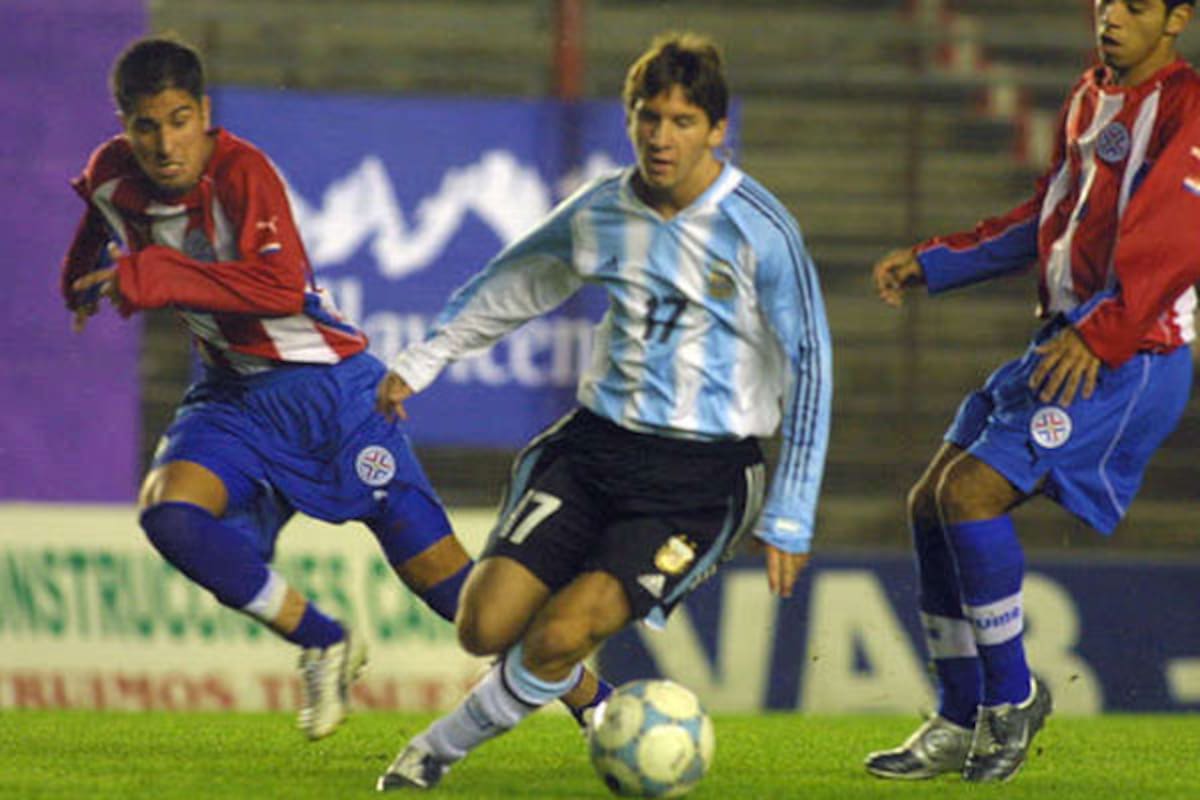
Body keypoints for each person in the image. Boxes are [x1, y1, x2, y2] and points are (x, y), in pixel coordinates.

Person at [63, 35, 608, 740]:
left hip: (331, 397)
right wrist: (78, 278)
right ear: (125, 127)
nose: (165, 144)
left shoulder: (242, 172)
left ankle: (597, 703)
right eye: (146, 126)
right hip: (232, 400)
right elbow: (99, 214)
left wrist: (153, 274)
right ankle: (323, 641)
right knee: (169, 515)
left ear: (204, 114)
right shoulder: (112, 173)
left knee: (450, 588)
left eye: (179, 121)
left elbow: (278, 287)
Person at [373, 31, 832, 791]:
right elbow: (519, 279)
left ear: (717, 130)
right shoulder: (603, 209)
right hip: (595, 449)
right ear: (630, 120)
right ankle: (583, 698)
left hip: (701, 477)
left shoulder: (760, 229)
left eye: (683, 122)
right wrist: (429, 356)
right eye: (649, 118)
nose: (662, 137)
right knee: (483, 625)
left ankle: (432, 753)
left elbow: (812, 363)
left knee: (561, 633)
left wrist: (793, 507)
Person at [864, 0, 1200, 783]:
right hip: (1067, 338)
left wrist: (1101, 332)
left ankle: (1010, 699)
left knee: (970, 495)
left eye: (1137, 5)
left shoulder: (1186, 108)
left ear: (1178, 18)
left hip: (1132, 353)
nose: (1112, 16)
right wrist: (937, 262)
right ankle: (958, 717)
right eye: (1106, 0)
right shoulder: (1089, 95)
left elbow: (1179, 239)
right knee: (931, 501)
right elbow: (1049, 219)